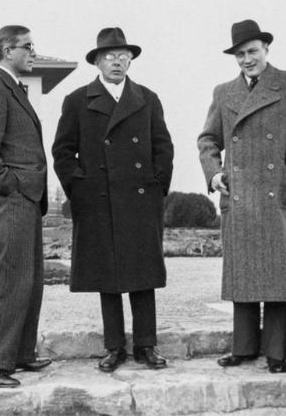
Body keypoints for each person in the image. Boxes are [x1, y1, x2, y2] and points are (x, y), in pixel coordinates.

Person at [197, 19, 286, 374]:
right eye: (240, 54)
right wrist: (214, 172)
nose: (246, 60)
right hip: (239, 194)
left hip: (276, 193)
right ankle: (243, 349)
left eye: (252, 52)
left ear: (266, 50)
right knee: (243, 273)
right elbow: (208, 140)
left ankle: (276, 353)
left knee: (276, 273)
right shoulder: (223, 92)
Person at [53, 27, 174, 372]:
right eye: (109, 56)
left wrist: (156, 185)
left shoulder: (148, 98)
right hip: (98, 198)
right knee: (107, 276)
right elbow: (63, 150)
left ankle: (146, 346)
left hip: (139, 199)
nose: (117, 62)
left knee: (143, 274)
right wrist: (80, 187)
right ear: (97, 62)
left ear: (131, 60)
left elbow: (163, 147)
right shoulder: (77, 100)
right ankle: (114, 347)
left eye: (123, 56)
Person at [0, 25, 51, 388]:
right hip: (11, 198)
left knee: (29, 280)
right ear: (5, 50)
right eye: (27, 47)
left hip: (26, 199)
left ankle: (18, 354)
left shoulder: (14, 88)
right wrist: (11, 186)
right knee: (11, 277)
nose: (34, 53)